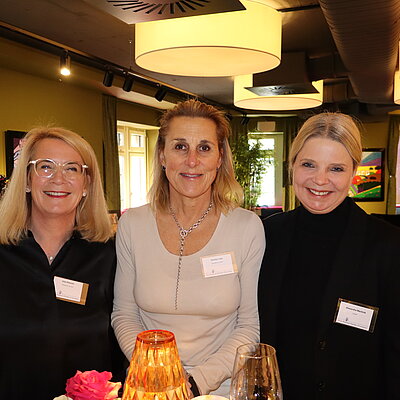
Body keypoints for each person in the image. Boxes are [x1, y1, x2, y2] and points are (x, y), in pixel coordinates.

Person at [112, 99, 265, 397]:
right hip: (149, 385)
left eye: (204, 148)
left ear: (219, 158)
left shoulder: (246, 227)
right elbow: (124, 314)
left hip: (221, 388)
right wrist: (158, 373)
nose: (192, 160)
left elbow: (249, 326)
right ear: (162, 155)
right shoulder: (133, 224)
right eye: (180, 146)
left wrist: (193, 383)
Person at [258, 112, 400, 400]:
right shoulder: (266, 235)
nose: (320, 180)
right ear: (292, 165)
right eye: (308, 164)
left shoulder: (388, 245)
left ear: (353, 172)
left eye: (336, 168)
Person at [0, 127, 125, 399]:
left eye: (71, 169)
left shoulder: (110, 255)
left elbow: (122, 344)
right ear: (27, 179)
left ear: (86, 184)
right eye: (46, 167)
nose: (58, 179)